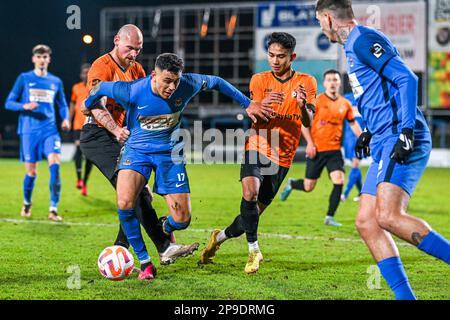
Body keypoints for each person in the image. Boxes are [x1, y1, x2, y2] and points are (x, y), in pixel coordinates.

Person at [83, 52, 272, 279]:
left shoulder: (188, 84)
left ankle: (166, 227)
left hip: (170, 155)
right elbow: (99, 89)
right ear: (154, 75)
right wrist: (88, 104)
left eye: (176, 81)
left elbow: (217, 82)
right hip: (137, 152)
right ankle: (145, 262)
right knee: (125, 202)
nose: (172, 87)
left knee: (183, 220)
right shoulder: (132, 90)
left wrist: (248, 103)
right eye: (167, 81)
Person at [315, 0, 450, 299]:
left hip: (396, 136)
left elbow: (406, 78)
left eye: (318, 22)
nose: (320, 28)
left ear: (327, 18)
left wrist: (406, 131)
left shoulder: (363, 39)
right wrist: (367, 130)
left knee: (388, 216)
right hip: (381, 137)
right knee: (366, 221)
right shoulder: (353, 46)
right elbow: (378, 93)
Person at [80, 25, 199, 279]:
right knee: (135, 194)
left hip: (125, 137)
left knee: (135, 195)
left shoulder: (137, 70)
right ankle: (163, 247)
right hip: (98, 136)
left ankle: (121, 250)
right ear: (116, 41)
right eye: (129, 48)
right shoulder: (101, 66)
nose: (133, 53)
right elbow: (93, 105)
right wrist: (115, 129)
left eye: (138, 49)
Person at [199, 32, 317, 273]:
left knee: (247, 218)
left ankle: (218, 238)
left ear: (292, 57)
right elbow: (254, 114)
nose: (275, 60)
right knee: (250, 192)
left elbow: (308, 121)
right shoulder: (259, 80)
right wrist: (263, 107)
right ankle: (254, 251)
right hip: (258, 144)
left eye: (281, 56)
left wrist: (303, 107)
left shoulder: (307, 82)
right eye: (271, 55)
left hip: (283, 156)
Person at [279, 69, 362, 227]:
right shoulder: (316, 101)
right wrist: (310, 143)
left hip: (335, 151)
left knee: (339, 180)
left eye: (335, 80)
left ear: (339, 83)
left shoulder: (345, 104)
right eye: (329, 80)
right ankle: (292, 183)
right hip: (316, 150)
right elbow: (304, 124)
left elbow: (353, 124)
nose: (332, 82)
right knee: (308, 187)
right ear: (324, 83)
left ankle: (330, 216)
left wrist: (364, 138)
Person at [5, 44, 70, 221]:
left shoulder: (56, 81)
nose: (42, 60)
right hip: (29, 131)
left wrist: (66, 118)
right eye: (39, 57)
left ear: (49, 59)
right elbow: (9, 102)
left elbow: (63, 104)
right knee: (31, 172)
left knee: (55, 167)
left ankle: (53, 209)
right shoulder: (24, 78)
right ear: (34, 59)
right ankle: (27, 202)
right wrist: (23, 105)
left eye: (45, 57)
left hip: (50, 130)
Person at [69, 63, 93, 196]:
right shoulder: (76, 88)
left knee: (89, 155)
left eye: (88, 72)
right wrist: (69, 118)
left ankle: (84, 182)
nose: (86, 74)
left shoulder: (95, 88)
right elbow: (72, 103)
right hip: (78, 125)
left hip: (90, 125)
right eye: (84, 72)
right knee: (78, 149)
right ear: (81, 74)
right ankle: (79, 179)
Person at [341, 93, 365, 202]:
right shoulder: (346, 98)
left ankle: (345, 194)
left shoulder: (367, 96)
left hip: (359, 137)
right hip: (348, 138)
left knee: (355, 164)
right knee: (355, 166)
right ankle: (362, 193)